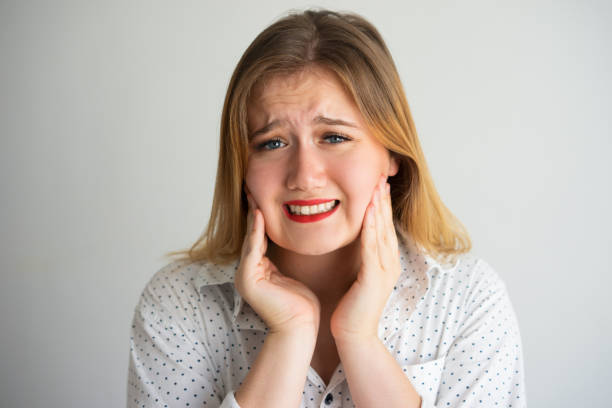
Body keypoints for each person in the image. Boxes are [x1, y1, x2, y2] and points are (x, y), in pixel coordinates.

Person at [127, 9, 526, 408]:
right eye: (272, 143)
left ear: (392, 155)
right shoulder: (179, 303)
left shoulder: (466, 298)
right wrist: (291, 333)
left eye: (333, 137)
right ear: (242, 168)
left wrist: (359, 339)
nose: (304, 175)